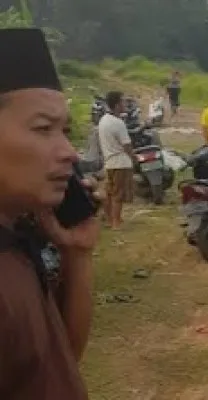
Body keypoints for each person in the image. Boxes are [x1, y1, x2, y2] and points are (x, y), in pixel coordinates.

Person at [0, 27, 102, 399]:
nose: (70, 153)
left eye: (66, 131)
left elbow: (57, 362)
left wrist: (77, 253)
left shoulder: (18, 242)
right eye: (44, 129)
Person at [98, 91, 135, 230]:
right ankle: (116, 222)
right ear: (117, 104)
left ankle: (109, 219)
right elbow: (126, 145)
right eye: (123, 101)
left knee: (109, 193)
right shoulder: (118, 123)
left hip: (109, 162)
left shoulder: (103, 120)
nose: (125, 104)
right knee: (118, 195)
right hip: (121, 163)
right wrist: (134, 157)